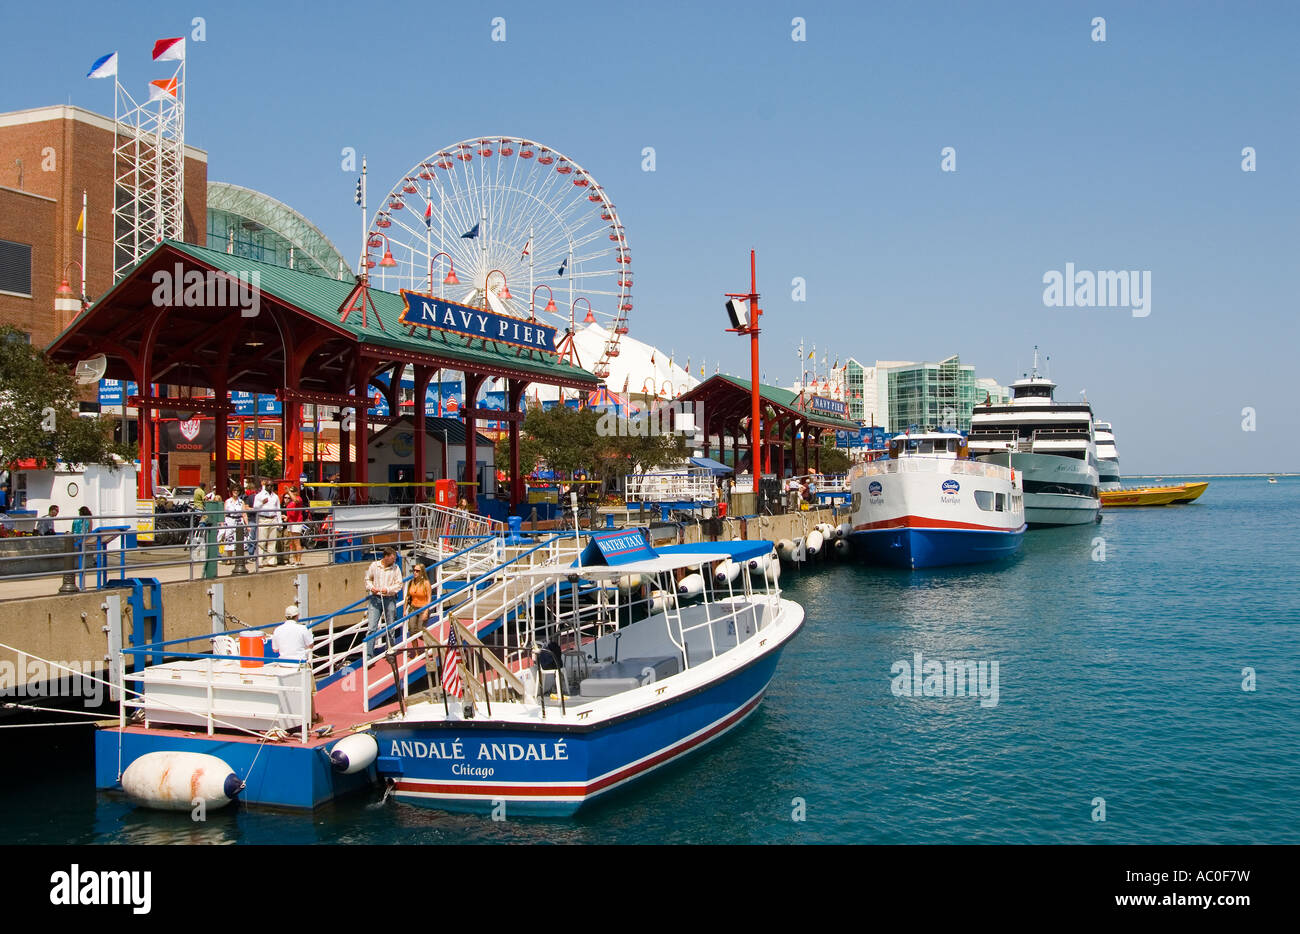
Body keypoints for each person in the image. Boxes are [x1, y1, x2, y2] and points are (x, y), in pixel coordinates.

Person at [270, 604, 319, 723]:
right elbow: (311, 645)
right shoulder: (302, 629)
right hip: (299, 665)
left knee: (286, 692)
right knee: (309, 691)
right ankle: (313, 716)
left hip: (283, 665)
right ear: (297, 616)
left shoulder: (278, 630)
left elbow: (275, 649)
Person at [364, 546, 403, 655]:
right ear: (386, 557)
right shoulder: (374, 566)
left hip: (389, 599)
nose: (394, 560)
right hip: (375, 599)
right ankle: (368, 655)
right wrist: (372, 588)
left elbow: (399, 585)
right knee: (372, 627)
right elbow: (367, 579)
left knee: (390, 626)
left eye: (394, 559)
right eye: (392, 558)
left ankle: (390, 649)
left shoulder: (396, 568)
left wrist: (388, 590)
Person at [252, 479, 281, 569]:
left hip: (273, 519)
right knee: (261, 541)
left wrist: (279, 522)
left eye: (272, 486)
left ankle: (271, 561)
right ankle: (259, 561)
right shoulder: (259, 496)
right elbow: (255, 507)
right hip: (263, 519)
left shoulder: (275, 496)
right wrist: (262, 502)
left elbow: (278, 510)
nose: (270, 487)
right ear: (265, 486)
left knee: (272, 541)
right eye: (268, 485)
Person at [405, 562, 432, 628]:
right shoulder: (411, 582)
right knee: (412, 629)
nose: (415, 572)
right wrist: (404, 610)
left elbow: (429, 597)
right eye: (414, 570)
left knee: (420, 629)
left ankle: (424, 638)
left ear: (422, 572)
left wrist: (426, 611)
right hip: (413, 608)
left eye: (417, 571)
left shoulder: (426, 583)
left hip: (423, 608)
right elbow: (407, 596)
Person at [284, 487, 306, 566]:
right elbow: (290, 512)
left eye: (293, 491)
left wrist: (289, 491)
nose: (291, 493)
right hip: (290, 522)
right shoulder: (290, 502)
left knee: (297, 542)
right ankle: (294, 559)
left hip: (297, 522)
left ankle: (298, 560)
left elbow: (295, 500)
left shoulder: (298, 499)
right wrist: (286, 517)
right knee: (292, 542)